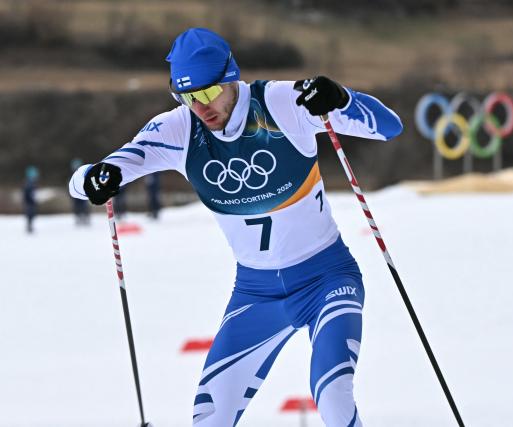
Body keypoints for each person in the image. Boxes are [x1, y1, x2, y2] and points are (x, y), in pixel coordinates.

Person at [69, 28, 402, 426]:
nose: (201, 107)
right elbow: (89, 178)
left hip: (326, 279)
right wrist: (94, 177)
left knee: (332, 395)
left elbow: (389, 126)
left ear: (231, 78)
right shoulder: (178, 129)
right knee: (210, 414)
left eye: (209, 93)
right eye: (188, 97)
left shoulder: (281, 103)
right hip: (255, 294)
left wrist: (341, 98)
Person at [70, 158, 90, 225]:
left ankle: (85, 217)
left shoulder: (83, 173)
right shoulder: (72, 175)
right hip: (76, 194)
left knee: (84, 206)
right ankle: (79, 217)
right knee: (77, 206)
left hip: (83, 193)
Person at [24, 165, 39, 234]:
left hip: (30, 202)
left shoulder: (32, 183)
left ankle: (30, 226)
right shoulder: (29, 183)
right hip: (29, 202)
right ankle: (29, 227)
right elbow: (28, 193)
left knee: (31, 214)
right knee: (30, 214)